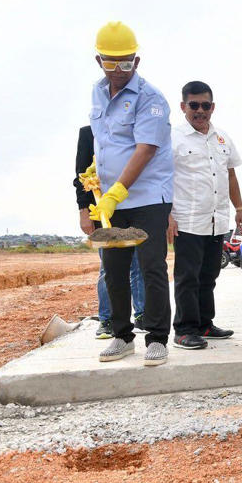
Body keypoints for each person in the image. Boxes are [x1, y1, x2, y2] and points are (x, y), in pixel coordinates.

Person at [89, 22, 173, 365]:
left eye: (126, 63)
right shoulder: (97, 92)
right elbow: (105, 140)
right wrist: (95, 175)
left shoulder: (150, 98)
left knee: (151, 267)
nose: (119, 70)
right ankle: (122, 336)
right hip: (112, 200)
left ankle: (157, 338)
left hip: (148, 198)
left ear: (136, 61)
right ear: (99, 61)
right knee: (114, 268)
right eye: (111, 63)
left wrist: (118, 190)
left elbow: (145, 149)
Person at [167, 81, 242, 350]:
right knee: (187, 277)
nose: (200, 110)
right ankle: (184, 330)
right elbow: (161, 178)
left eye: (205, 105)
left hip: (217, 220)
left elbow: (230, 175)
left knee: (209, 275)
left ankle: (204, 324)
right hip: (187, 220)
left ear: (213, 107)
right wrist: (167, 215)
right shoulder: (173, 138)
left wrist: (240, 209)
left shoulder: (222, 138)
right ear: (183, 106)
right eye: (194, 105)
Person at [74, 125, 146, 339]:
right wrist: (84, 211)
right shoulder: (88, 133)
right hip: (103, 211)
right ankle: (107, 319)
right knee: (108, 266)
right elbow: (81, 177)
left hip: (134, 207)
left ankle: (142, 315)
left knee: (138, 265)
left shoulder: (134, 130)